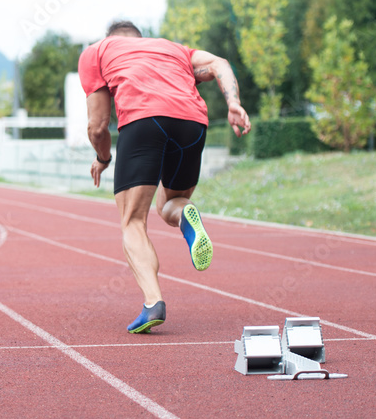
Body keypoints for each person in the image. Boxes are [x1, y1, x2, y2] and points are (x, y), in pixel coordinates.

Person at [77, 20, 251, 333]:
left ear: (111, 38)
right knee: (172, 202)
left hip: (144, 121)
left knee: (133, 222)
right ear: (140, 39)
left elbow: (98, 125)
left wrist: (103, 158)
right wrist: (233, 103)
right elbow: (218, 63)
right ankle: (185, 214)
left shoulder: (97, 51)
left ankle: (153, 303)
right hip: (192, 124)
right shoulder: (172, 49)